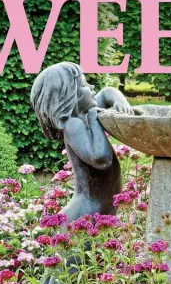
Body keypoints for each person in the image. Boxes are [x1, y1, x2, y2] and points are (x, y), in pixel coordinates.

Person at [31, 62, 133, 221]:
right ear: (71, 97)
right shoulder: (74, 124)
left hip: (99, 206)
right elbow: (101, 159)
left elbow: (107, 93)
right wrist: (94, 119)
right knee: (80, 245)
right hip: (85, 211)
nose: (92, 87)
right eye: (85, 84)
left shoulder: (83, 111)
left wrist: (121, 101)